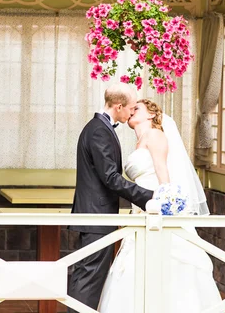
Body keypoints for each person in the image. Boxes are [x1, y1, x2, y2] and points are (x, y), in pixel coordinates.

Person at [98, 99, 224, 312]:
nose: (131, 111)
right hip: (141, 207)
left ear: (150, 115)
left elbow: (162, 171)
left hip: (155, 206)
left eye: (136, 108)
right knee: (135, 265)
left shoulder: (155, 135)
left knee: (168, 261)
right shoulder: (139, 141)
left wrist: (166, 200)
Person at [67, 84, 154, 313]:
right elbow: (111, 178)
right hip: (96, 215)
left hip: (96, 213)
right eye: (131, 108)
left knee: (88, 273)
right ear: (118, 106)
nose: (131, 112)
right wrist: (148, 196)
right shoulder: (98, 130)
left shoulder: (100, 127)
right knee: (89, 275)